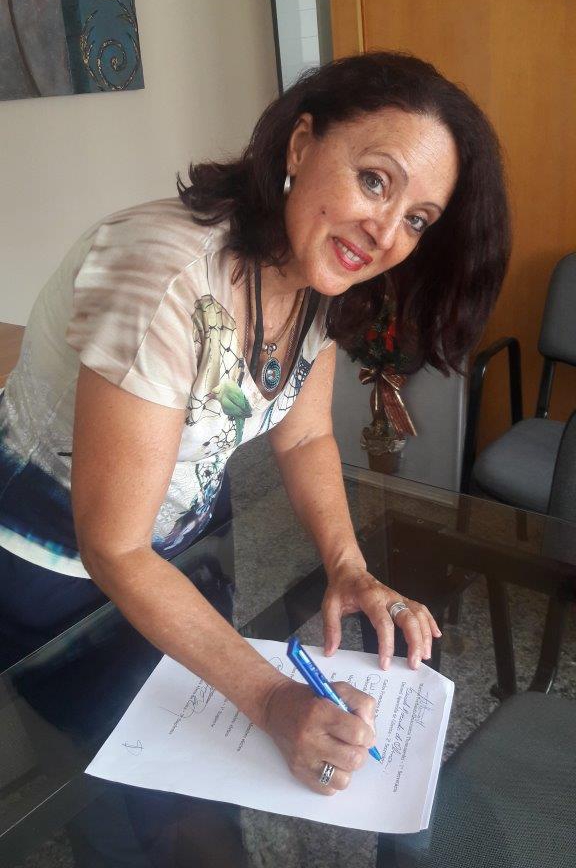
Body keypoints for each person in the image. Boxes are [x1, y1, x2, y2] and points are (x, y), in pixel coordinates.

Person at [0, 51, 509, 799]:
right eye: (375, 180)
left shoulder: (316, 273)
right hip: (56, 578)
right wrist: (271, 699)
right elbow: (114, 545)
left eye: (417, 219)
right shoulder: (164, 277)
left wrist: (348, 568)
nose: (385, 232)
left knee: (206, 790)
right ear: (301, 145)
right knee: (124, 810)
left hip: (181, 553)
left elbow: (304, 435)